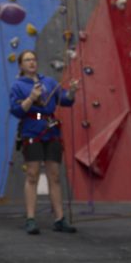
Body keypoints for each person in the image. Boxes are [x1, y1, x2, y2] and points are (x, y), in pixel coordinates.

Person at [9, 49, 79, 234]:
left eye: (33, 59)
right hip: (32, 129)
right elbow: (16, 111)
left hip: (51, 129)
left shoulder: (49, 82)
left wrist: (71, 92)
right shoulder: (18, 86)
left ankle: (59, 219)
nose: (32, 62)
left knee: (54, 175)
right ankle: (31, 218)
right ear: (21, 65)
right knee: (32, 174)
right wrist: (31, 98)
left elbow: (64, 100)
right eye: (27, 60)